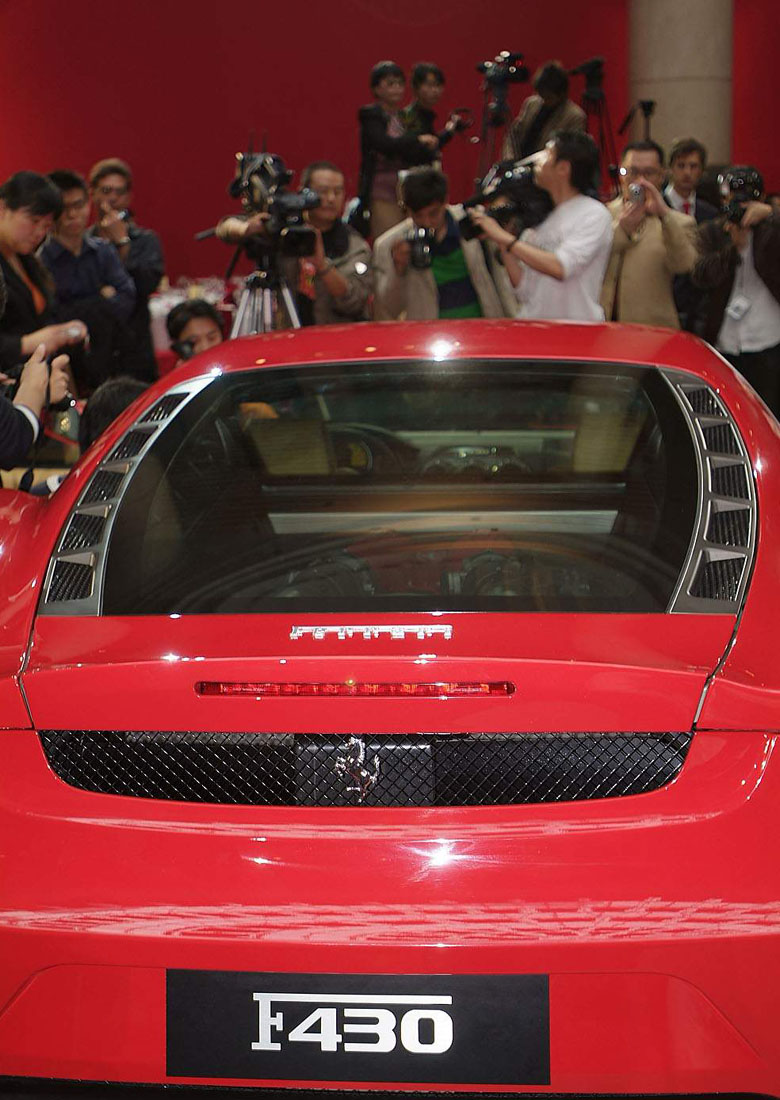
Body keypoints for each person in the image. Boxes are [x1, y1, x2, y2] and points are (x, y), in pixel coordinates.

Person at [471, 131, 613, 321]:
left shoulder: (593, 214)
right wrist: (503, 242)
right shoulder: (541, 216)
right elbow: (523, 289)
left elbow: (561, 267)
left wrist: (506, 239)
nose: (537, 160)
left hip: (576, 329)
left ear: (563, 168)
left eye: (547, 153)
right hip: (534, 326)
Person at [692, 165, 780, 415]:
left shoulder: (773, 229)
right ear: (723, 200)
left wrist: (772, 215)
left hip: (769, 335)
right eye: (733, 200)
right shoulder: (712, 231)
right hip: (724, 338)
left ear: (761, 199)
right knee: (727, 410)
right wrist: (734, 248)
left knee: (767, 411)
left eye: (748, 200)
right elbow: (700, 276)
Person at [373, 167, 514, 321]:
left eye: (433, 214)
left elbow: (504, 283)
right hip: (429, 336)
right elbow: (387, 310)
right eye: (418, 216)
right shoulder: (389, 245)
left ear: (446, 201)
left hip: (481, 328)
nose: (426, 222)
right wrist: (398, 270)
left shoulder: (474, 224)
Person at [41, 170, 136, 387]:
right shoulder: (41, 261)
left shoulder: (103, 251)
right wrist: (100, 298)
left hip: (112, 359)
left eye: (80, 204)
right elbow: (52, 319)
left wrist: (79, 308)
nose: (74, 215)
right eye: (65, 209)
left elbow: (127, 296)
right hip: (66, 369)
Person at [600, 140, 698, 328]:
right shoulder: (602, 215)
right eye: (633, 172)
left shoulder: (679, 223)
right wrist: (622, 230)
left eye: (649, 173)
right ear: (622, 173)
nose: (640, 180)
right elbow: (588, 257)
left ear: (661, 176)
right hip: (603, 327)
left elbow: (684, 265)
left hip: (653, 331)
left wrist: (664, 215)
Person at [0, 172, 87, 371]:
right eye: (34, 221)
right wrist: (27, 343)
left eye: (47, 226)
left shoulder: (25, 257)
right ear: (3, 208)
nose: (39, 233)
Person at [88, 158, 164, 381]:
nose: (112, 198)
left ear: (129, 197)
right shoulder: (83, 244)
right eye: (106, 190)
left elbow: (145, 285)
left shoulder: (146, 240)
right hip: (96, 353)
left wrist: (122, 241)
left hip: (136, 349)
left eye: (119, 192)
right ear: (92, 194)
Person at [358, 61, 440, 240]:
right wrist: (416, 140)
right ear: (376, 89)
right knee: (390, 241)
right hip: (382, 190)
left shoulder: (404, 117)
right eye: (390, 84)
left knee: (413, 240)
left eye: (400, 84)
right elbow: (384, 144)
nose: (397, 89)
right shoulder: (371, 115)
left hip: (408, 189)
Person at [663, 138, 719, 332]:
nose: (687, 172)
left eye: (693, 166)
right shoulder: (656, 207)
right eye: (681, 166)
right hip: (665, 296)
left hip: (698, 303)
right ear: (670, 169)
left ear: (702, 171)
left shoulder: (711, 213)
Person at [502, 61, 586, 162]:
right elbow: (513, 135)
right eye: (541, 95)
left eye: (549, 97)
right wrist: (509, 158)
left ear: (561, 94)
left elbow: (569, 155)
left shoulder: (574, 116)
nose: (544, 100)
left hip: (546, 171)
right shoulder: (531, 104)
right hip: (517, 166)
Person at [401, 63, 461, 158]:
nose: (435, 90)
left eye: (438, 85)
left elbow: (432, 144)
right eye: (429, 85)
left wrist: (449, 131)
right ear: (415, 87)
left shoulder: (426, 115)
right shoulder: (408, 115)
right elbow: (419, 150)